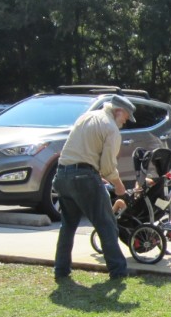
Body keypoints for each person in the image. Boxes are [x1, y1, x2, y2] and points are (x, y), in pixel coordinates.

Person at [53, 95, 136, 281]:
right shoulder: (111, 128)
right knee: (106, 224)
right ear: (119, 111)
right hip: (84, 178)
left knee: (67, 226)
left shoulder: (87, 117)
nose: (125, 122)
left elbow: (81, 151)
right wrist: (120, 187)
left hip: (62, 175)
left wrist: (97, 176)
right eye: (126, 118)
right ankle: (118, 271)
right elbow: (107, 166)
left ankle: (61, 269)